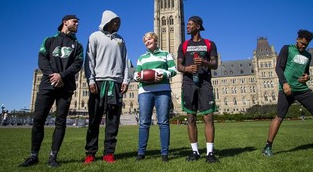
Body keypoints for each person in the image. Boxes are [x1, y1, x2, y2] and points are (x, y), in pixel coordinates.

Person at [19, 15, 84, 168]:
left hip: (65, 87)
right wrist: (53, 75)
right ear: (65, 22)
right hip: (47, 85)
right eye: (75, 22)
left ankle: (53, 156)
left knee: (60, 122)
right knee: (38, 120)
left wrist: (61, 75)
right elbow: (42, 59)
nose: (77, 24)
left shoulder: (78, 45)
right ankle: (33, 155)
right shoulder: (49, 40)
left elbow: (78, 64)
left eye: (78, 22)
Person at [262, 29, 313, 157]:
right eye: (301, 43)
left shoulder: (308, 56)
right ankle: (267, 147)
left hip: (302, 89)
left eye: (306, 45)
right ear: (297, 39)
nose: (303, 46)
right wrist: (284, 84)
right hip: (287, 89)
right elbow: (278, 67)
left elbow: (306, 72)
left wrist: (307, 77)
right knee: (279, 117)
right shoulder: (287, 49)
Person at [83, 10, 130, 164]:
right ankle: (90, 152)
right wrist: (90, 80)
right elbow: (89, 60)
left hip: (116, 84)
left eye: (119, 22)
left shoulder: (120, 40)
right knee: (94, 119)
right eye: (116, 21)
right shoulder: (94, 36)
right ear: (108, 21)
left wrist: (126, 80)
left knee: (113, 120)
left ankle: (109, 153)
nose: (118, 24)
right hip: (99, 82)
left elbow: (125, 61)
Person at [177, 16, 219, 163]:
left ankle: (210, 153)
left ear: (198, 26)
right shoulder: (183, 45)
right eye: (187, 25)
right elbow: (179, 66)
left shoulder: (209, 44)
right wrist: (187, 68)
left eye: (190, 24)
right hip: (188, 84)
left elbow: (215, 64)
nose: (187, 27)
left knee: (208, 118)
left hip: (205, 84)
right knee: (191, 118)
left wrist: (204, 62)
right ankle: (194, 152)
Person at [134, 32, 178, 162]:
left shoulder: (165, 54)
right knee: (144, 123)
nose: (147, 41)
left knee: (163, 122)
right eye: (145, 40)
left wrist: (161, 74)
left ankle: (164, 154)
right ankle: (141, 153)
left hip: (162, 91)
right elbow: (136, 75)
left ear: (155, 39)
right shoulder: (142, 57)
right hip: (145, 92)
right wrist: (141, 76)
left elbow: (173, 70)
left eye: (149, 39)